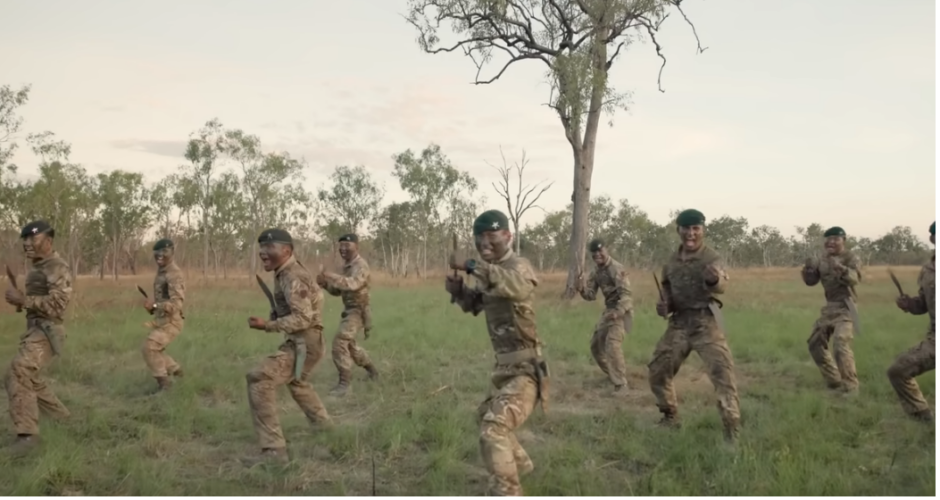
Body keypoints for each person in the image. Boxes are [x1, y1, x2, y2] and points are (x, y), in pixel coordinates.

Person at [446, 209, 548, 497]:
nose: (485, 243)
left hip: (527, 369)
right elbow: (477, 305)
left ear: (508, 236)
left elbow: (514, 287)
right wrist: (459, 292)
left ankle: (507, 491)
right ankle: (522, 465)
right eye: (479, 238)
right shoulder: (489, 271)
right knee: (485, 416)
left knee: (493, 428)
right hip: (504, 370)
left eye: (492, 236)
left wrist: (470, 264)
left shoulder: (519, 266)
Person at [648, 209, 741, 442]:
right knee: (658, 370)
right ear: (678, 230)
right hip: (679, 323)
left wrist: (713, 279)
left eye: (695, 229)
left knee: (722, 373)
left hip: (705, 322)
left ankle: (732, 429)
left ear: (702, 230)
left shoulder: (712, 259)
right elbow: (667, 293)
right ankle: (670, 417)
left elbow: (722, 285)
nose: (691, 234)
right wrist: (664, 306)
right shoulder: (671, 262)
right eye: (686, 229)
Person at [244, 228, 332, 464]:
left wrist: (267, 325)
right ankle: (326, 430)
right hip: (304, 341)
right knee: (297, 383)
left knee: (260, 379)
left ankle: (274, 452)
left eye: (269, 247)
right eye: (261, 247)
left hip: (305, 343)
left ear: (287, 250)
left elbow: (304, 318)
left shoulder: (292, 275)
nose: (263, 252)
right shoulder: (284, 272)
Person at [3, 220, 73, 454]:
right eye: (25, 239)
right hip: (34, 329)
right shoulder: (38, 267)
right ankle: (62, 418)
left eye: (33, 238)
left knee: (18, 370)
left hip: (48, 331)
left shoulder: (57, 267)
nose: (27, 243)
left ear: (49, 241)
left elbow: (58, 306)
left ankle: (28, 438)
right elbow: (38, 302)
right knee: (30, 377)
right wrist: (21, 299)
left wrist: (24, 300)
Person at [801, 227, 863, 393]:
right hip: (830, 307)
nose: (831, 242)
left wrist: (841, 268)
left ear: (843, 240)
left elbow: (854, 280)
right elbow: (811, 282)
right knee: (814, 344)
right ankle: (834, 380)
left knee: (840, 343)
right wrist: (808, 270)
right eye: (828, 239)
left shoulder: (851, 257)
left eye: (836, 239)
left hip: (847, 306)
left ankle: (850, 387)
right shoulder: (822, 259)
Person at [317, 234, 378, 397]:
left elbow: (352, 284)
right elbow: (339, 290)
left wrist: (330, 276)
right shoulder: (347, 266)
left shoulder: (361, 265)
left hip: (359, 311)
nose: (343, 248)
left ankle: (345, 384)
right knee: (351, 346)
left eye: (347, 245)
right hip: (350, 310)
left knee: (340, 342)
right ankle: (373, 371)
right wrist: (324, 284)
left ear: (356, 247)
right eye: (341, 245)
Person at [887, 221, 935, 423]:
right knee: (898, 370)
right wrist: (910, 304)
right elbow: (923, 304)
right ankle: (923, 420)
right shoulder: (927, 271)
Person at [577, 238, 633, 392]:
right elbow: (590, 295)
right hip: (609, 311)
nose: (597, 254)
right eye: (594, 252)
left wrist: (618, 312)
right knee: (595, 346)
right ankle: (612, 375)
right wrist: (581, 288)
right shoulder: (596, 272)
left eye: (600, 250)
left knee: (612, 345)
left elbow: (627, 296)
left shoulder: (616, 269)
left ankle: (621, 385)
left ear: (606, 250)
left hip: (623, 311)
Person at [141, 238, 185, 392]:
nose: (160, 255)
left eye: (164, 251)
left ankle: (165, 386)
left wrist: (155, 305)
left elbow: (176, 305)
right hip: (162, 320)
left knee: (149, 347)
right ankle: (178, 373)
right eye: (157, 252)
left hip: (172, 322)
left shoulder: (174, 274)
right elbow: (162, 300)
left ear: (172, 252)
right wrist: (151, 308)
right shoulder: (162, 272)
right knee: (155, 349)